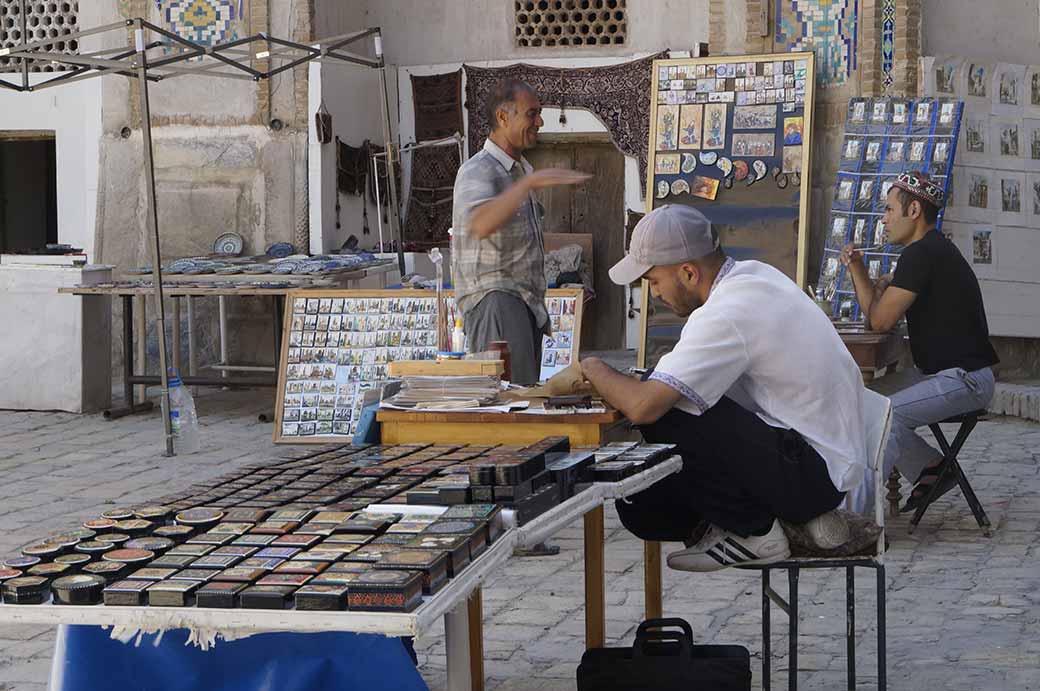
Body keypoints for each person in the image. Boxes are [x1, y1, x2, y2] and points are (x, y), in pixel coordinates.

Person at [580, 204, 867, 572]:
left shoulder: (724, 313)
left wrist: (591, 367)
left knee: (664, 412)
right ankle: (773, 523)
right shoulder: (756, 276)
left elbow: (644, 406)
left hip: (812, 474)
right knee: (639, 504)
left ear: (688, 272)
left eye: (654, 281)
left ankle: (756, 532)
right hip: (826, 463)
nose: (654, 294)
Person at [840, 172, 999, 511]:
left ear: (913, 210)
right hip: (941, 374)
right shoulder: (927, 251)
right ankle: (933, 468)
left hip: (965, 379)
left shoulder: (922, 254)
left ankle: (856, 514)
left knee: (884, 415)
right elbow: (877, 316)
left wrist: (869, 279)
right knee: (858, 402)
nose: (884, 219)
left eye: (888, 209)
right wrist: (857, 269)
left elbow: (880, 321)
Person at [451, 79, 590, 385]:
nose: (539, 122)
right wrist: (528, 184)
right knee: (509, 401)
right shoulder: (478, 169)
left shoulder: (520, 170)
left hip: (525, 304)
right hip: (496, 301)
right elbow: (480, 224)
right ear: (503, 117)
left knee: (524, 398)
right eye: (532, 113)